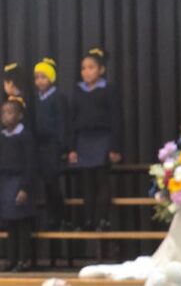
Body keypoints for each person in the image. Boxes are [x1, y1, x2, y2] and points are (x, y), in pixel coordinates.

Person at [68, 47, 121, 230]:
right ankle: (88, 219)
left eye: (91, 67)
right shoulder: (78, 91)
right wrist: (72, 148)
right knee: (87, 183)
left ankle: (103, 219)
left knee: (101, 180)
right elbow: (72, 120)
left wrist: (114, 147)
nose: (86, 72)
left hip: (102, 139)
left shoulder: (108, 89)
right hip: (84, 140)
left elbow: (116, 119)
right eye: (83, 68)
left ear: (101, 70)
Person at [0, 97, 37, 272]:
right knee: (9, 224)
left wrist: (24, 187)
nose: (5, 116)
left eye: (10, 113)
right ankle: (11, 259)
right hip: (5, 182)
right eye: (3, 112)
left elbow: (31, 163)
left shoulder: (25, 136)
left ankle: (24, 260)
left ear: (19, 116)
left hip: (19, 181)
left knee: (22, 225)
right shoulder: (1, 137)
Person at [32, 57, 69, 229]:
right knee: (46, 184)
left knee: (53, 183)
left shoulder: (58, 97)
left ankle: (60, 216)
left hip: (53, 146)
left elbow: (62, 123)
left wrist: (62, 147)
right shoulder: (36, 99)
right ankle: (51, 218)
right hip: (41, 146)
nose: (40, 81)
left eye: (43, 77)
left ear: (51, 78)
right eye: (37, 77)